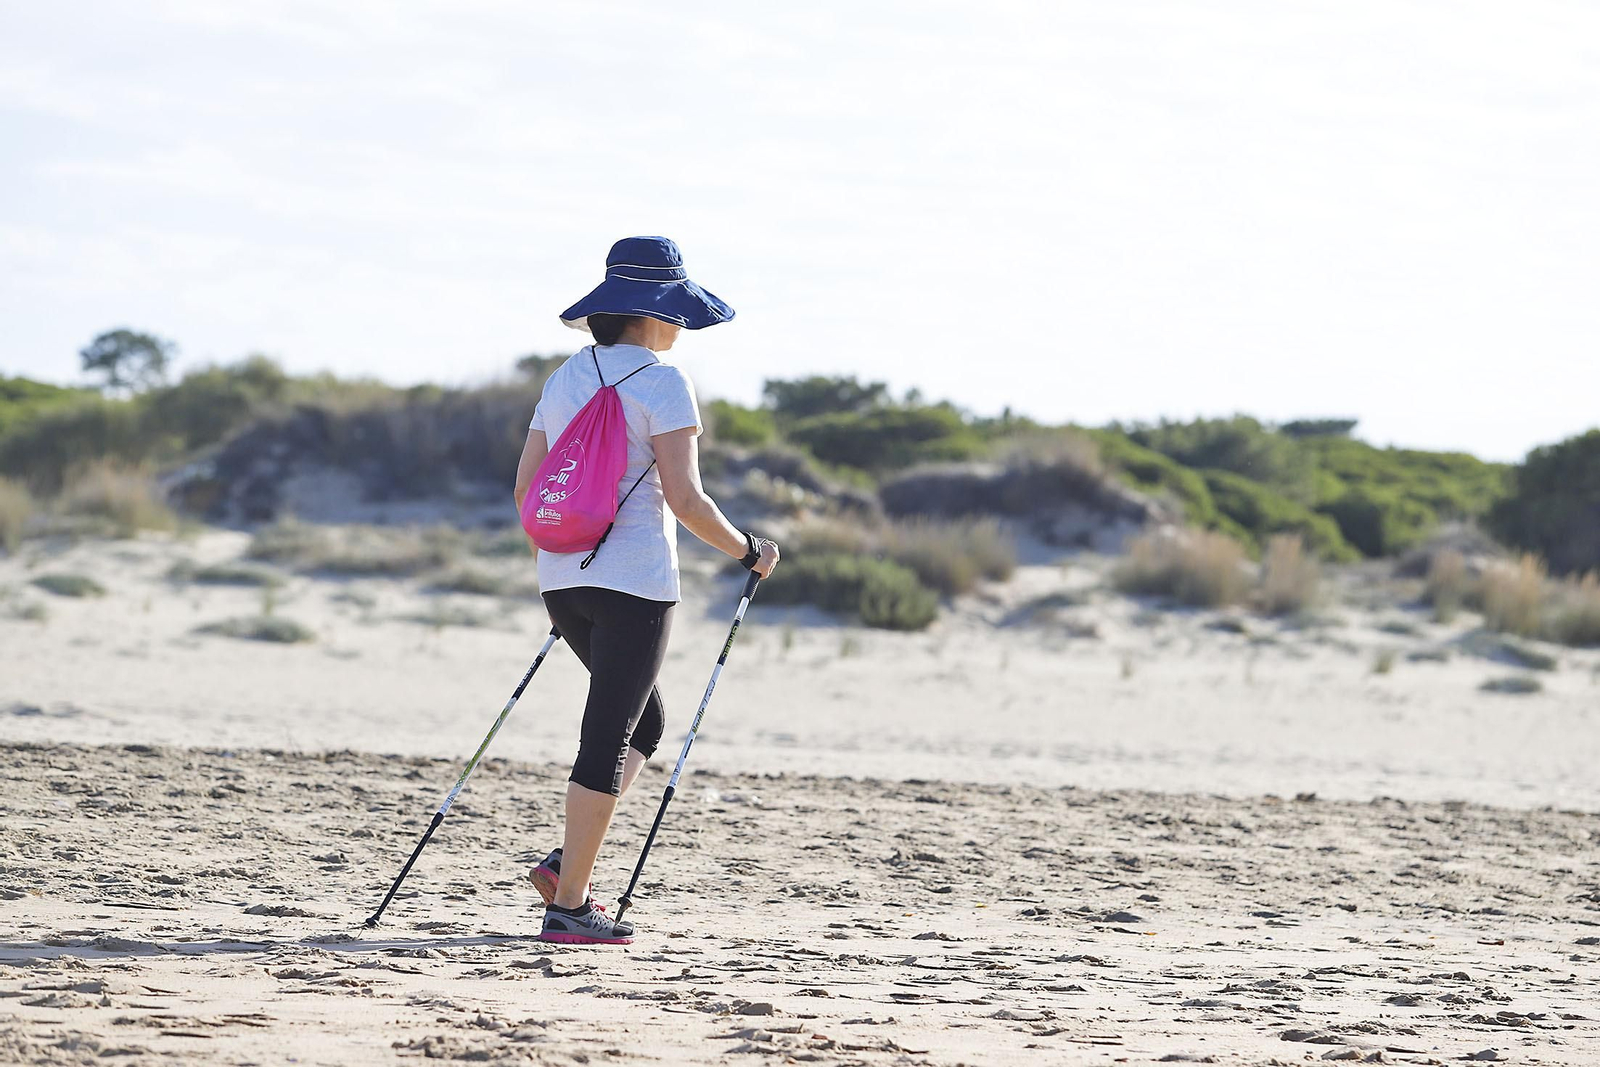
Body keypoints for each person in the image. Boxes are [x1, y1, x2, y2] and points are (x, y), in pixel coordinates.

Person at [512, 236, 779, 945]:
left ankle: (567, 862)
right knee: (606, 736)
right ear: (653, 314)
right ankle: (570, 906)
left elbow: (525, 490)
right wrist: (750, 550)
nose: (680, 328)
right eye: (675, 313)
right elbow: (687, 502)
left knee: (643, 724)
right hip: (634, 584)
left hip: (562, 578)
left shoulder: (564, 378)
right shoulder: (663, 382)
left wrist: (570, 568)